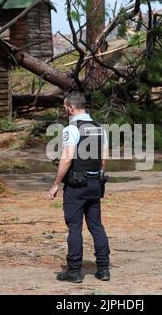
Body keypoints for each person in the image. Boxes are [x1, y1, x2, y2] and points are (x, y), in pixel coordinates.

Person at [49, 91, 110, 283]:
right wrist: (95, 176)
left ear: (71, 107)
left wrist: (56, 184)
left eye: (65, 107)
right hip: (95, 184)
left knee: (74, 228)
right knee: (96, 226)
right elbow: (103, 160)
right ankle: (103, 269)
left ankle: (74, 271)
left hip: (76, 186)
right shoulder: (100, 128)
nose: (65, 110)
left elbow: (67, 159)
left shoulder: (72, 128)